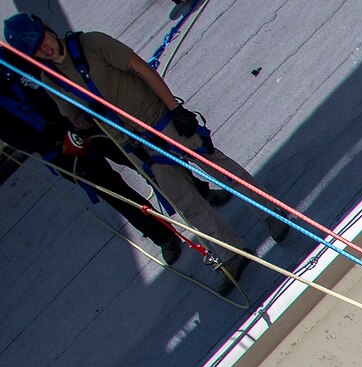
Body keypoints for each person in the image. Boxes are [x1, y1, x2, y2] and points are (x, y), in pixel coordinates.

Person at [3, 12, 285, 276]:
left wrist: (175, 108)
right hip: (135, 144)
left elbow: (141, 69)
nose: (44, 48)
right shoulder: (52, 80)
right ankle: (231, 253)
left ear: (47, 29)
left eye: (42, 39)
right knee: (186, 203)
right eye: (36, 49)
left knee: (218, 168)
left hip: (161, 120)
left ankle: (271, 213)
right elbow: (76, 119)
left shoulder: (92, 43)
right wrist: (86, 119)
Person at [0, 63, 183, 264]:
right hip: (60, 150)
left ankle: (197, 193)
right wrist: (58, 141)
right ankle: (163, 236)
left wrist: (73, 127)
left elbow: (57, 79)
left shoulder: (14, 58)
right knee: (114, 193)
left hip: (83, 120)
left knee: (142, 160)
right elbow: (15, 137)